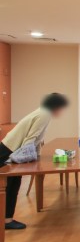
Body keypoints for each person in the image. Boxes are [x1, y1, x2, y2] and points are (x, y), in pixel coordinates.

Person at [0, 93, 69, 229]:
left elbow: (37, 139)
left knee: (13, 183)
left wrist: (36, 157)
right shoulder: (44, 115)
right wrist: (31, 159)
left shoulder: (43, 112)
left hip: (10, 147)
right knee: (11, 184)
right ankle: (6, 221)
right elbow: (30, 139)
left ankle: (6, 219)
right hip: (9, 150)